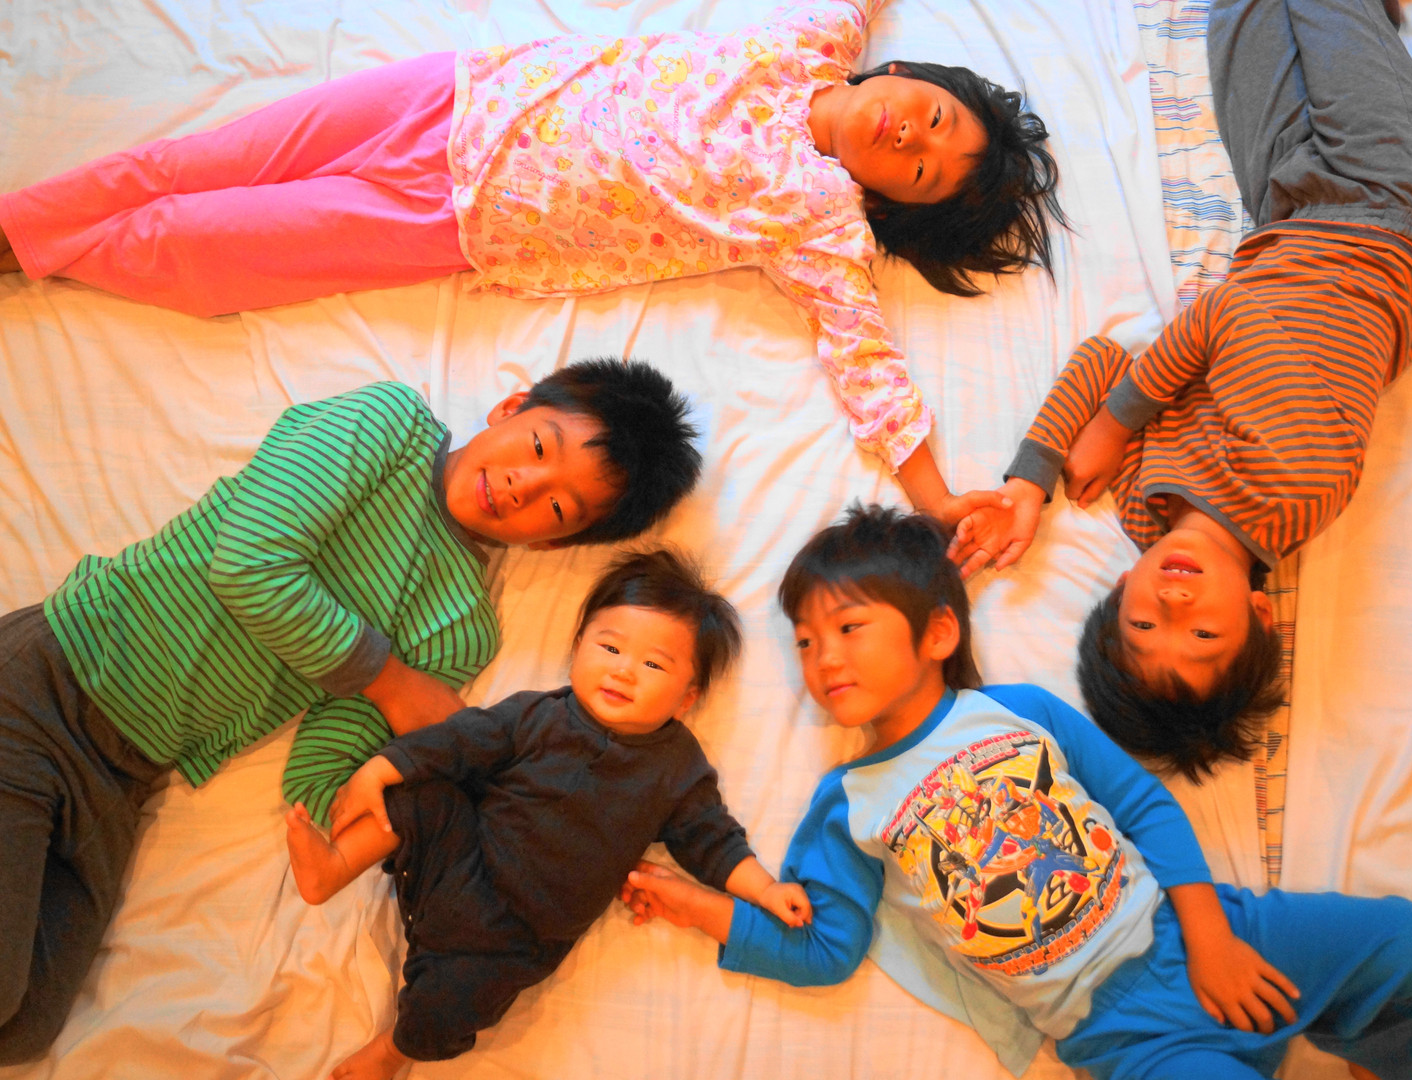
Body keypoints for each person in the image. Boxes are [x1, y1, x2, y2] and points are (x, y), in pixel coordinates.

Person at [0, 0, 1064, 526]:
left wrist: (935, 497)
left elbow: (867, 363)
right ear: (909, 75)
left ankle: (45, 254)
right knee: (196, 162)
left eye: (920, 173)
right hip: (454, 96)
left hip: (456, 220)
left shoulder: (823, 222)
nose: (910, 140)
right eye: (932, 119)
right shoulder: (809, 47)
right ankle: (20, 225)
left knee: (205, 254)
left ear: (893, 204)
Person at [0, 358, 703, 1064]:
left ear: (552, 544)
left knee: (26, 1026)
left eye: (556, 509)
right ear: (511, 407)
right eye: (540, 446)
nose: (526, 485)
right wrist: (390, 681)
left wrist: (434, 815)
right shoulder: (388, 425)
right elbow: (248, 564)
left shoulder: (460, 627)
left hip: (120, 777)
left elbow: (325, 767)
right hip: (53, 677)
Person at [621, 504, 1412, 1080]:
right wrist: (699, 906)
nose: (824, 658)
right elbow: (823, 948)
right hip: (1123, 1033)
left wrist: (1210, 937)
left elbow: (1143, 807)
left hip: (1205, 929)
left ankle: (1387, 1060)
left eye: (848, 628)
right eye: (805, 642)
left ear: (937, 633)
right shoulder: (851, 803)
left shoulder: (1016, 711)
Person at [947, 0, 1412, 778]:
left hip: (1285, 210)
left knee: (1235, 15)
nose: (1174, 608)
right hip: (1386, 194)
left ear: (1121, 591)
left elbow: (1102, 360)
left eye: (1143, 628)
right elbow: (1233, 314)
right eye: (1202, 637)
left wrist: (1032, 477)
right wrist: (1115, 423)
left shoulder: (1145, 507)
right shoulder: (1294, 483)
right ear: (1260, 614)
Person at [285, 549, 811, 1080]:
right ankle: (334, 866)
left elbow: (712, 839)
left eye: (653, 665)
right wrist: (381, 768)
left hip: (517, 940)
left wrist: (766, 890)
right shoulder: (536, 713)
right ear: (578, 646)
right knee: (424, 788)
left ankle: (392, 1051)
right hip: (461, 862)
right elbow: (459, 742)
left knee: (452, 1006)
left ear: (685, 698)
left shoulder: (676, 769)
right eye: (610, 647)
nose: (623, 670)